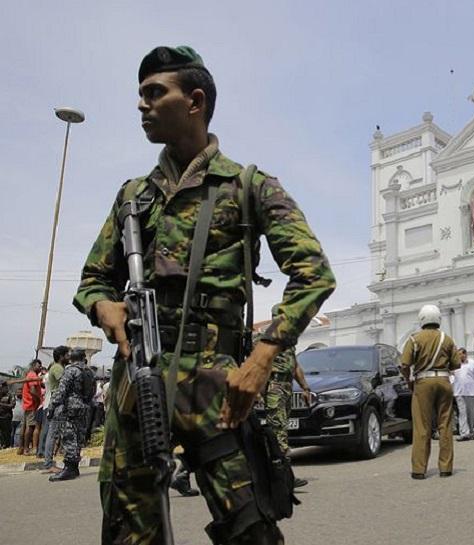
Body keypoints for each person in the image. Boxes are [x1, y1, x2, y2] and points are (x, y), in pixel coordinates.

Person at [73, 45, 335, 544]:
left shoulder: (248, 186)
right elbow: (93, 279)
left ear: (194, 101)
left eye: (155, 93)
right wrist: (102, 305)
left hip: (219, 385)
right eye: (140, 95)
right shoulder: (134, 196)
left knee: (251, 529)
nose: (142, 105)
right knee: (130, 531)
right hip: (139, 380)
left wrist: (261, 358)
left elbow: (314, 273)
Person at [400, 304, 460, 479]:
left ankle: (419, 469)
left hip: (423, 382)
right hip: (443, 380)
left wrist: (408, 379)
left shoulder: (414, 339)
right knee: (445, 424)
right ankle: (446, 468)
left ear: (421, 319)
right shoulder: (447, 339)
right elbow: (456, 364)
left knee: (422, 427)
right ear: (438, 319)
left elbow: (405, 364)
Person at [265, 346, 312, 487]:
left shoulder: (288, 343)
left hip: (287, 386)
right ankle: (283, 478)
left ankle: (281, 476)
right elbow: (260, 365)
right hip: (274, 387)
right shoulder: (267, 339)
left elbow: (295, 365)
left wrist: (305, 388)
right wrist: (258, 392)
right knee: (278, 432)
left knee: (282, 431)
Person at [47, 348, 93, 481]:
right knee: (78, 437)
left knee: (68, 437)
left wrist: (52, 407)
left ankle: (69, 469)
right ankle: (75, 467)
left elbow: (61, 391)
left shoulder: (70, 370)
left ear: (72, 358)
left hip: (71, 407)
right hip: (84, 406)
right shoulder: (88, 371)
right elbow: (92, 390)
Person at [41, 346, 70, 470]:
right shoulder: (58, 368)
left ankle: (51, 462)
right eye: (67, 355)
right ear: (61, 356)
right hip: (57, 403)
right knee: (52, 434)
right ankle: (48, 464)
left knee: (57, 434)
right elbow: (65, 384)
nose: (69, 357)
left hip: (56, 403)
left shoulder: (58, 367)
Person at [451, 348, 474, 441]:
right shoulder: (455, 365)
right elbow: (450, 376)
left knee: (470, 414)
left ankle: (470, 432)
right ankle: (464, 433)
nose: (459, 356)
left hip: (470, 392)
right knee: (462, 413)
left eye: (460, 354)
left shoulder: (472, 363)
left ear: (465, 354)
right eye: (457, 355)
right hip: (459, 393)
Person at [18, 359, 43, 455]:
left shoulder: (29, 375)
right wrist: (39, 399)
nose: (40, 367)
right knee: (31, 427)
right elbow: (33, 390)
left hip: (27, 404)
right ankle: (26, 448)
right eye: (38, 366)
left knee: (24, 427)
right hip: (32, 404)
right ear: (33, 366)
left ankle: (21, 448)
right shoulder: (33, 376)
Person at [0, 381, 15, 448]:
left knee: (7, 433)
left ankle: (7, 445)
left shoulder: (10, 395)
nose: (2, 388)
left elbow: (12, 405)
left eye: (3, 387)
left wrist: (1, 404)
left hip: (6, 417)